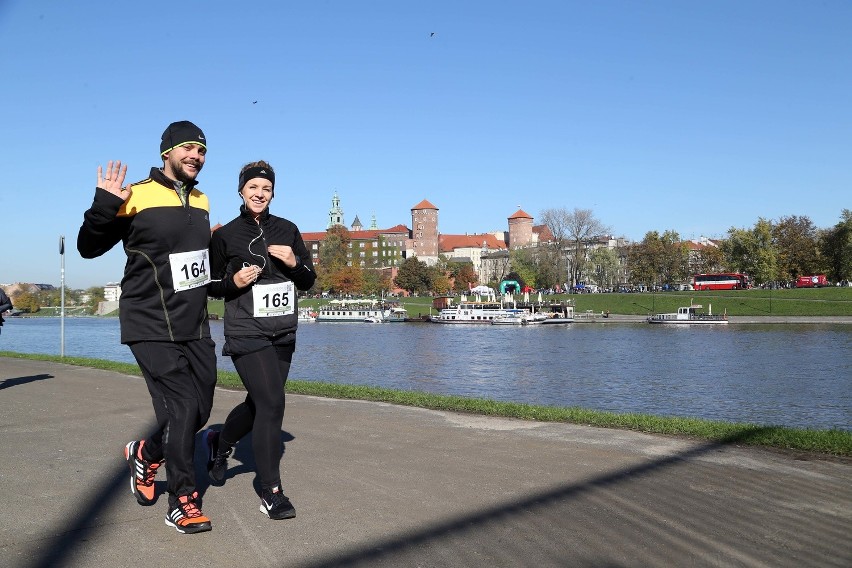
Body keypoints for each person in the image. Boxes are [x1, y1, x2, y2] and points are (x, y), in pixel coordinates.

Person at [77, 121, 217, 534]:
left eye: (202, 150)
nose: (196, 156)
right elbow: (88, 247)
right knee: (181, 407)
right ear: (167, 153)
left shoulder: (203, 200)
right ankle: (183, 500)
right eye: (188, 148)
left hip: (193, 323)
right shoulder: (136, 194)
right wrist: (104, 204)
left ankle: (146, 452)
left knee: (201, 409)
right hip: (149, 320)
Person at [205, 160, 315, 520]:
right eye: (253, 187)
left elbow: (308, 280)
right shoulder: (225, 236)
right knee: (272, 404)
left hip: (283, 330)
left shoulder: (288, 229)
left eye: (266, 189)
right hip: (246, 330)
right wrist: (233, 283)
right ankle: (271, 491)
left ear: (273, 193)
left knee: (260, 404)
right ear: (241, 191)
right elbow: (210, 285)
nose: (259, 193)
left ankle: (219, 443)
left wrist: (294, 262)